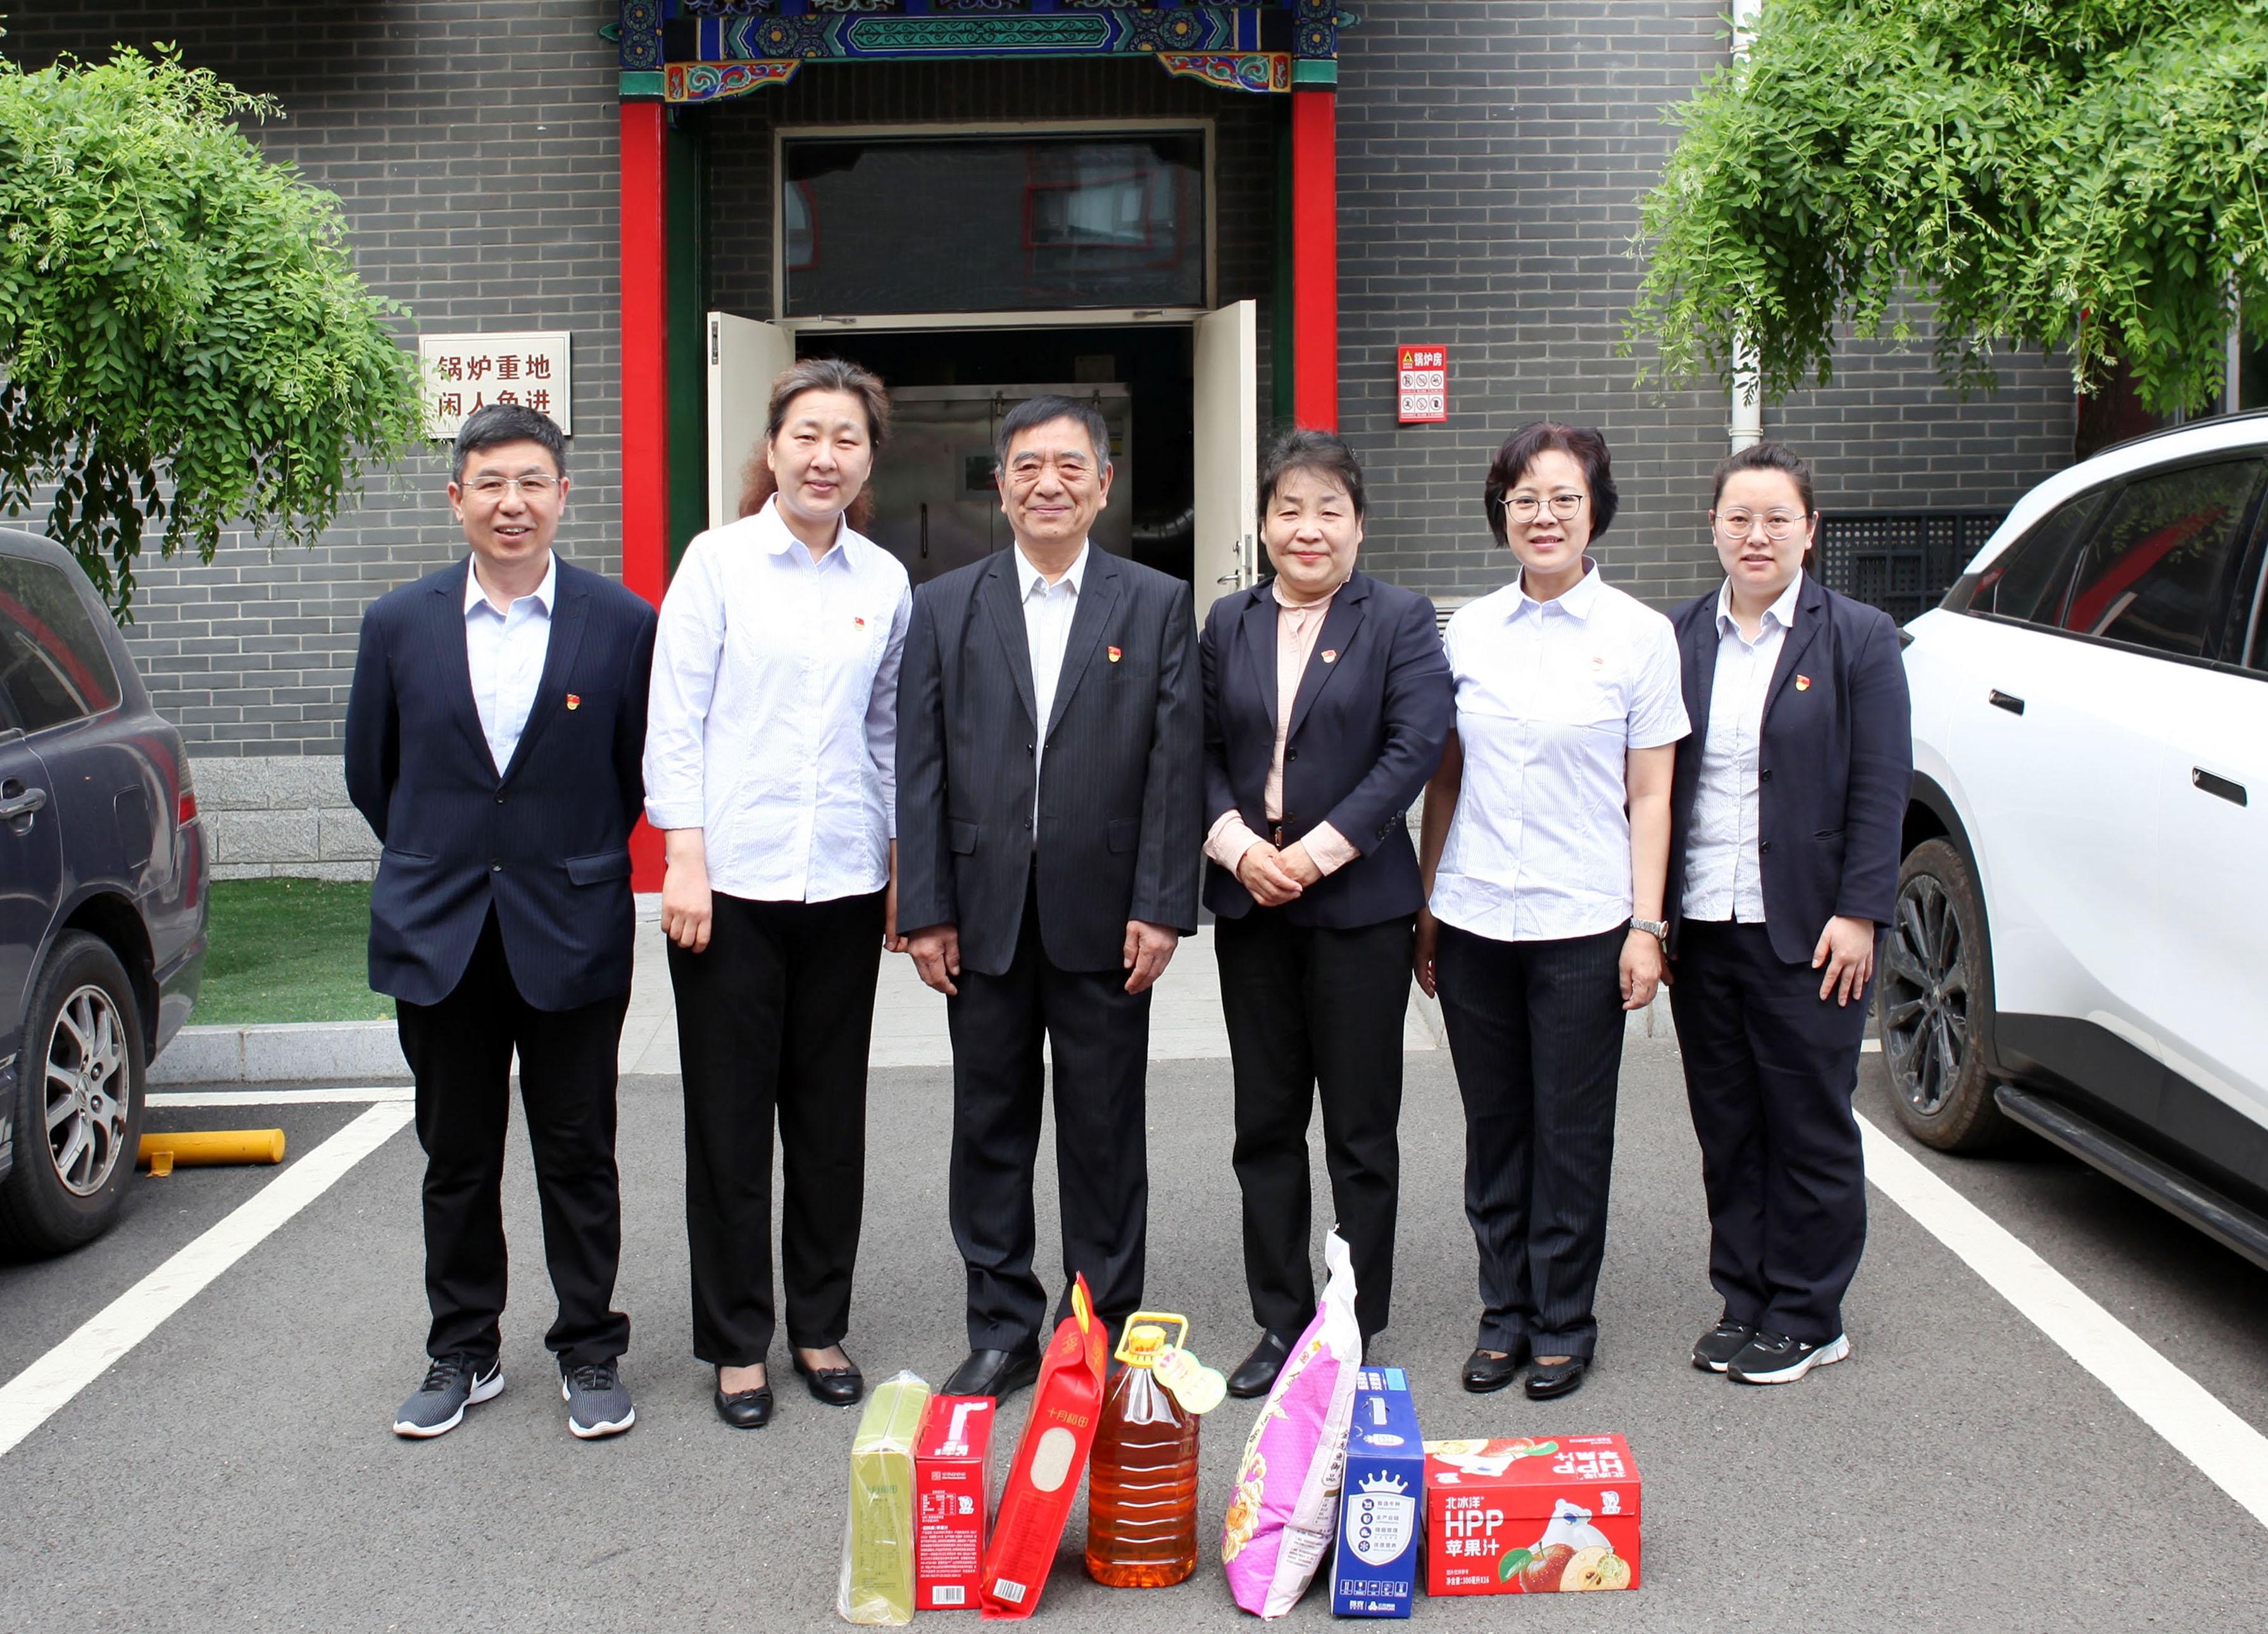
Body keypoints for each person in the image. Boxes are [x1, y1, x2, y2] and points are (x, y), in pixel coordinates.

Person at [347, 403, 657, 1442]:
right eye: (490, 483)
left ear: (564, 494)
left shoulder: (622, 623)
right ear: (457, 498)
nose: (511, 503)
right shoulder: (399, 623)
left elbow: (632, 775)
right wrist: (451, 856)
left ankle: (589, 1346)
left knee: (579, 1150)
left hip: (568, 923)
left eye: (531, 482)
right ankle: (463, 1349)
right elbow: (373, 773)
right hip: (439, 928)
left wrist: (555, 859)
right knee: (457, 1154)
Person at [896, 393, 1203, 1399]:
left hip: (1109, 915)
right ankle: (1000, 1326)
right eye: (1027, 466)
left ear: (1104, 484)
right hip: (980, 913)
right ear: (1001, 486)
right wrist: (924, 907)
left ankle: (1098, 1327)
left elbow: (1174, 768)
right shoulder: (945, 605)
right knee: (989, 1124)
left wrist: (1164, 903)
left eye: (1071, 465)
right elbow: (920, 767)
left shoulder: (1154, 603)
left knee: (1104, 1126)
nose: (1049, 484)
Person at [644, 358, 911, 1431]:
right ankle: (735, 1341)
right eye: (807, 435)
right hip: (731, 886)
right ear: (772, 448)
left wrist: (897, 862)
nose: (824, 457)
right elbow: (675, 717)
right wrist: (684, 858)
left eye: (846, 439)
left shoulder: (884, 582)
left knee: (829, 1117)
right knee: (729, 1121)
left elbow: (887, 733)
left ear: (868, 460)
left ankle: (818, 1324)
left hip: (842, 880)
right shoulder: (716, 564)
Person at [1414, 422, 1688, 1402]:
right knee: (1495, 1131)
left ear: (1594, 510)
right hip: (1476, 917)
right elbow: (1446, 780)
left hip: (1585, 923)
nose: (1544, 516)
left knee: (1571, 1132)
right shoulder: (1469, 631)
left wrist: (1647, 926)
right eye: (1524, 498)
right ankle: (1504, 1313)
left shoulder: (1640, 636)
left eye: (1564, 497)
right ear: (1502, 514)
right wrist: (1428, 903)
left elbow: (1651, 793)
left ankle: (1564, 1319)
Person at [1199, 429, 1453, 1398]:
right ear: (1264, 523)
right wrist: (1237, 846)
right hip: (1252, 906)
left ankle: (1351, 1322)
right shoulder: (1228, 622)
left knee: (1359, 1129)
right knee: (1264, 1124)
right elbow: (1198, 748)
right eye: (1289, 509)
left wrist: (1313, 853)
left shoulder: (1400, 619)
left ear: (1359, 524)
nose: (1308, 529)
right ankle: (1280, 1318)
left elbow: (1412, 747)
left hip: (1357, 911)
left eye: (1328, 510)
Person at [1667, 441, 1910, 1386]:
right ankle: (1746, 1297)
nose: (1757, 535)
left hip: (1812, 928)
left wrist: (1862, 910)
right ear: (1714, 527)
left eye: (1777, 518)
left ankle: (1810, 1312)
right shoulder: (1680, 637)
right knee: (1727, 1124)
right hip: (1705, 922)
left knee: (1808, 1121)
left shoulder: (1859, 637)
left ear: (1810, 531)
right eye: (1739, 517)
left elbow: (1883, 786)